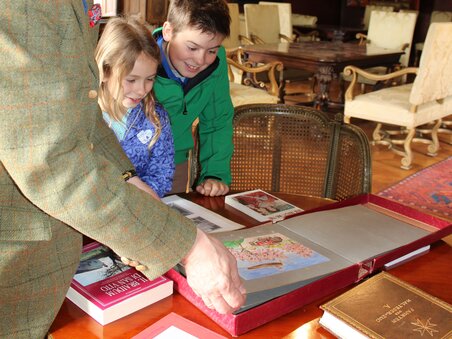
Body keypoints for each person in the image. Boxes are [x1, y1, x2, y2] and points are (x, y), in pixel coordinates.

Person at [0, 2, 245, 338]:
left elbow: (83, 121)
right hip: (16, 261)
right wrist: (186, 245)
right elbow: (51, 160)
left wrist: (128, 177)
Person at [153, 0, 234, 197]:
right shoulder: (138, 56)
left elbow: (217, 120)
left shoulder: (217, 62)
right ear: (168, 32)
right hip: (126, 165)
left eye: (212, 50)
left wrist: (215, 173)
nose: (200, 60)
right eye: (192, 48)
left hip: (175, 163)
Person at [96, 17, 174, 199]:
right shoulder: (86, 114)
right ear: (106, 71)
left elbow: (162, 176)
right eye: (131, 80)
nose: (142, 90)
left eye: (150, 79)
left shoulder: (156, 118)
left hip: (140, 212)